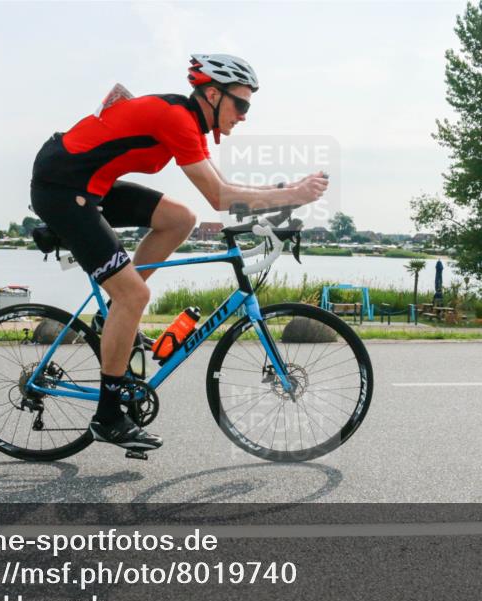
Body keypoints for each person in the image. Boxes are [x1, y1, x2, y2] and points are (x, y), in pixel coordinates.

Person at [30, 53, 328, 452]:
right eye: (240, 104)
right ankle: (107, 415)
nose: (244, 115)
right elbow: (222, 198)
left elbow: (223, 188)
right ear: (211, 94)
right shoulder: (176, 118)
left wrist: (282, 195)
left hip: (91, 185)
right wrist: (292, 194)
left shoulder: (189, 124)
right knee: (134, 295)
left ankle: (113, 314)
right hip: (62, 188)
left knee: (180, 218)